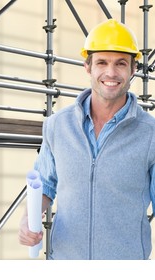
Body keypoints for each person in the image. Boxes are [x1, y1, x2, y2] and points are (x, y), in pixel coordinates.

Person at [18, 18, 155, 260]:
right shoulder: (57, 126)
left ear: (133, 69)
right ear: (88, 67)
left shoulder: (150, 134)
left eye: (120, 63)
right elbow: (45, 186)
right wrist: (28, 218)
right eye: (102, 62)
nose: (110, 73)